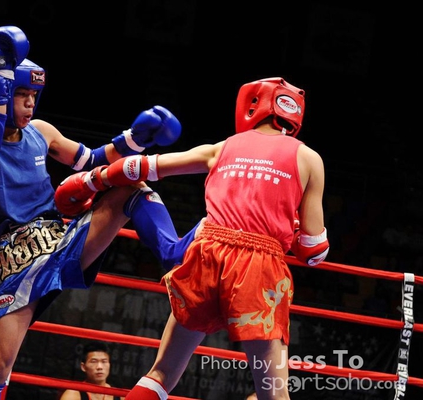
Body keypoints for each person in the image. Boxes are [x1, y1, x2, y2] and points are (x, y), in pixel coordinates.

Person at [55, 77, 329, 399]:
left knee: (161, 374)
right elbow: (314, 251)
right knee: (274, 393)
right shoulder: (308, 158)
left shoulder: (222, 147)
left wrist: (90, 182)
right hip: (259, 269)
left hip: (208, 255)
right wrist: (292, 231)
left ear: (252, 106)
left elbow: (140, 167)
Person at [0, 25, 185, 399]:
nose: (29, 104)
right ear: (0, 93)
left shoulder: (42, 131)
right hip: (13, 255)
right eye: (20, 95)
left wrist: (135, 138)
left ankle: (174, 255)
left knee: (129, 186)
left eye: (33, 96)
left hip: (58, 238)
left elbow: (92, 160)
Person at [59, 341, 124, 400]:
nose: (99, 367)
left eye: (104, 361)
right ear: (83, 367)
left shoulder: (119, 395)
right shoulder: (73, 394)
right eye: (94, 361)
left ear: (109, 365)